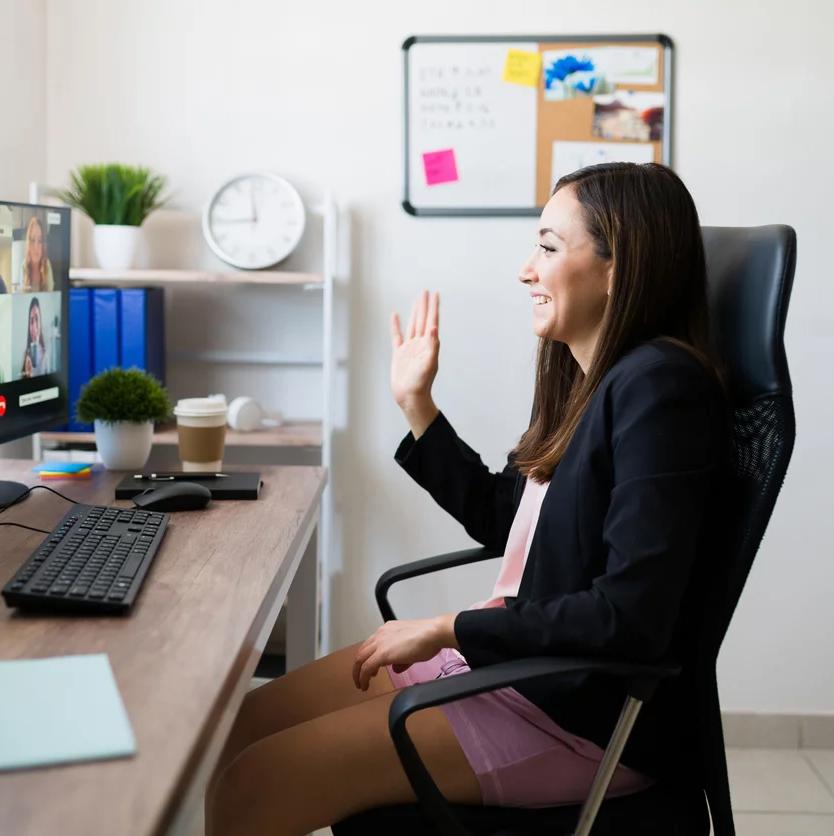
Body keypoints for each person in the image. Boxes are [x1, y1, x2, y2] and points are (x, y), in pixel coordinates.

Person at [204, 163, 732, 835]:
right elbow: (507, 519)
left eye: (547, 247)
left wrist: (448, 626)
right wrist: (417, 406)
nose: (525, 270)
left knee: (253, 785)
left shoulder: (661, 390)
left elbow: (629, 617)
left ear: (616, 265)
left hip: (574, 714)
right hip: (515, 667)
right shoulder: (591, 384)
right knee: (239, 730)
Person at [16, 216, 52, 293]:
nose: (36, 247)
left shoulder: (47, 265)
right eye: (33, 240)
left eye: (40, 241)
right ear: (28, 243)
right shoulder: (24, 265)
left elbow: (51, 297)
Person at [19, 296, 52, 377]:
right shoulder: (24, 356)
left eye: (37, 319)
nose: (34, 328)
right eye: (31, 321)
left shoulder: (47, 355)